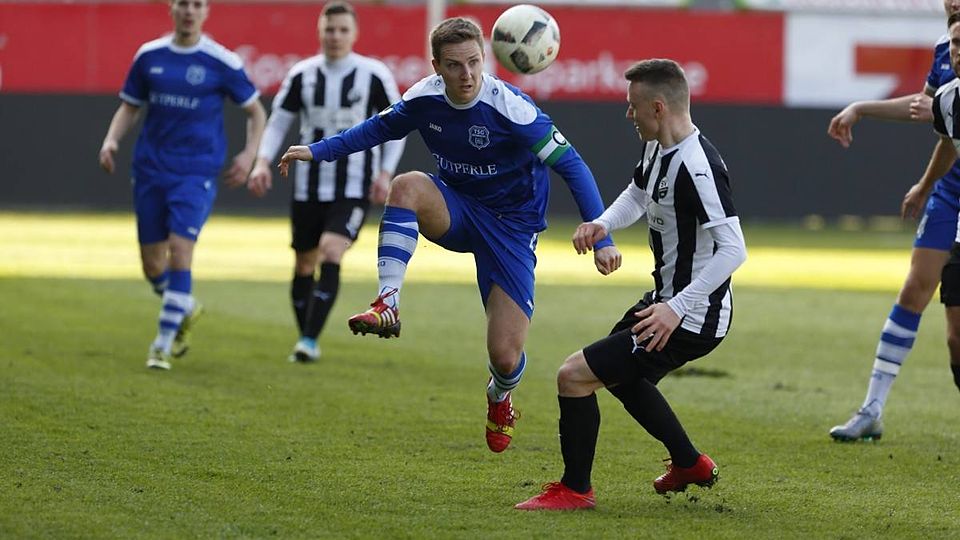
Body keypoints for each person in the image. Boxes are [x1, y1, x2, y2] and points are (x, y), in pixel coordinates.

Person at [278, 17, 621, 452]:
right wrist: (318, 151)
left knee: (505, 357)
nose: (467, 75)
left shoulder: (512, 107)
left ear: (485, 57)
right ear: (436, 66)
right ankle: (388, 303)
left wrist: (602, 238)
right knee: (406, 186)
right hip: (456, 209)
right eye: (455, 65)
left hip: (512, 229)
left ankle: (500, 395)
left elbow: (572, 166)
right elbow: (376, 129)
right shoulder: (424, 97)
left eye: (474, 62)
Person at [515, 59, 747, 511]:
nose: (628, 114)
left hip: (692, 315)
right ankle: (690, 464)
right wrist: (602, 223)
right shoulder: (658, 146)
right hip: (666, 302)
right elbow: (639, 193)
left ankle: (576, 490)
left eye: (633, 106)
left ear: (658, 108)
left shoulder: (698, 167)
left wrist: (676, 308)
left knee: (573, 376)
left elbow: (734, 250)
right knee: (621, 378)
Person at [98, 0, 266, 370]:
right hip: (150, 169)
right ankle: (184, 305)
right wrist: (111, 141)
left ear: (206, 11)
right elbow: (130, 105)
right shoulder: (149, 56)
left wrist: (249, 155)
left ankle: (161, 344)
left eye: (197, 4)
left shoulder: (222, 61)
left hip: (196, 172)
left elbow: (255, 111)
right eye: (183, 4)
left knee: (180, 249)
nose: (190, 11)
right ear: (172, 8)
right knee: (152, 265)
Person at [826, 0, 960, 441]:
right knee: (916, 288)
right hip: (951, 189)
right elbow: (937, 120)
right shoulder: (945, 49)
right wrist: (862, 107)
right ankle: (872, 409)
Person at [247, 1, 405, 363]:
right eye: (329, 29)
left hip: (354, 185)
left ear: (355, 33)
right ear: (319, 32)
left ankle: (308, 340)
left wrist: (385, 172)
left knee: (331, 251)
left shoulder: (373, 74)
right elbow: (279, 121)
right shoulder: (302, 74)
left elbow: (397, 127)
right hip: (308, 186)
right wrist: (262, 162)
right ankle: (307, 335)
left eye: (342, 30)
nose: (335, 36)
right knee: (304, 263)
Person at [929, 11, 960, 398]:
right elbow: (948, 146)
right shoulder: (947, 99)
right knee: (955, 339)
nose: (958, 51)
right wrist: (924, 187)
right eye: (955, 43)